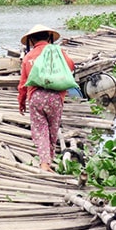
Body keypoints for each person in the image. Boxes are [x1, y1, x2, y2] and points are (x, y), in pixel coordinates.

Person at [17, 24, 75, 173]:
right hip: (55, 97)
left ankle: (44, 163)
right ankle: (48, 160)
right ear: (49, 37)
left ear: (31, 40)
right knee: (53, 129)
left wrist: (21, 102)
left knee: (40, 130)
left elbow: (23, 83)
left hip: (37, 97)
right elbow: (71, 66)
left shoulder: (29, 57)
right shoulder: (59, 53)